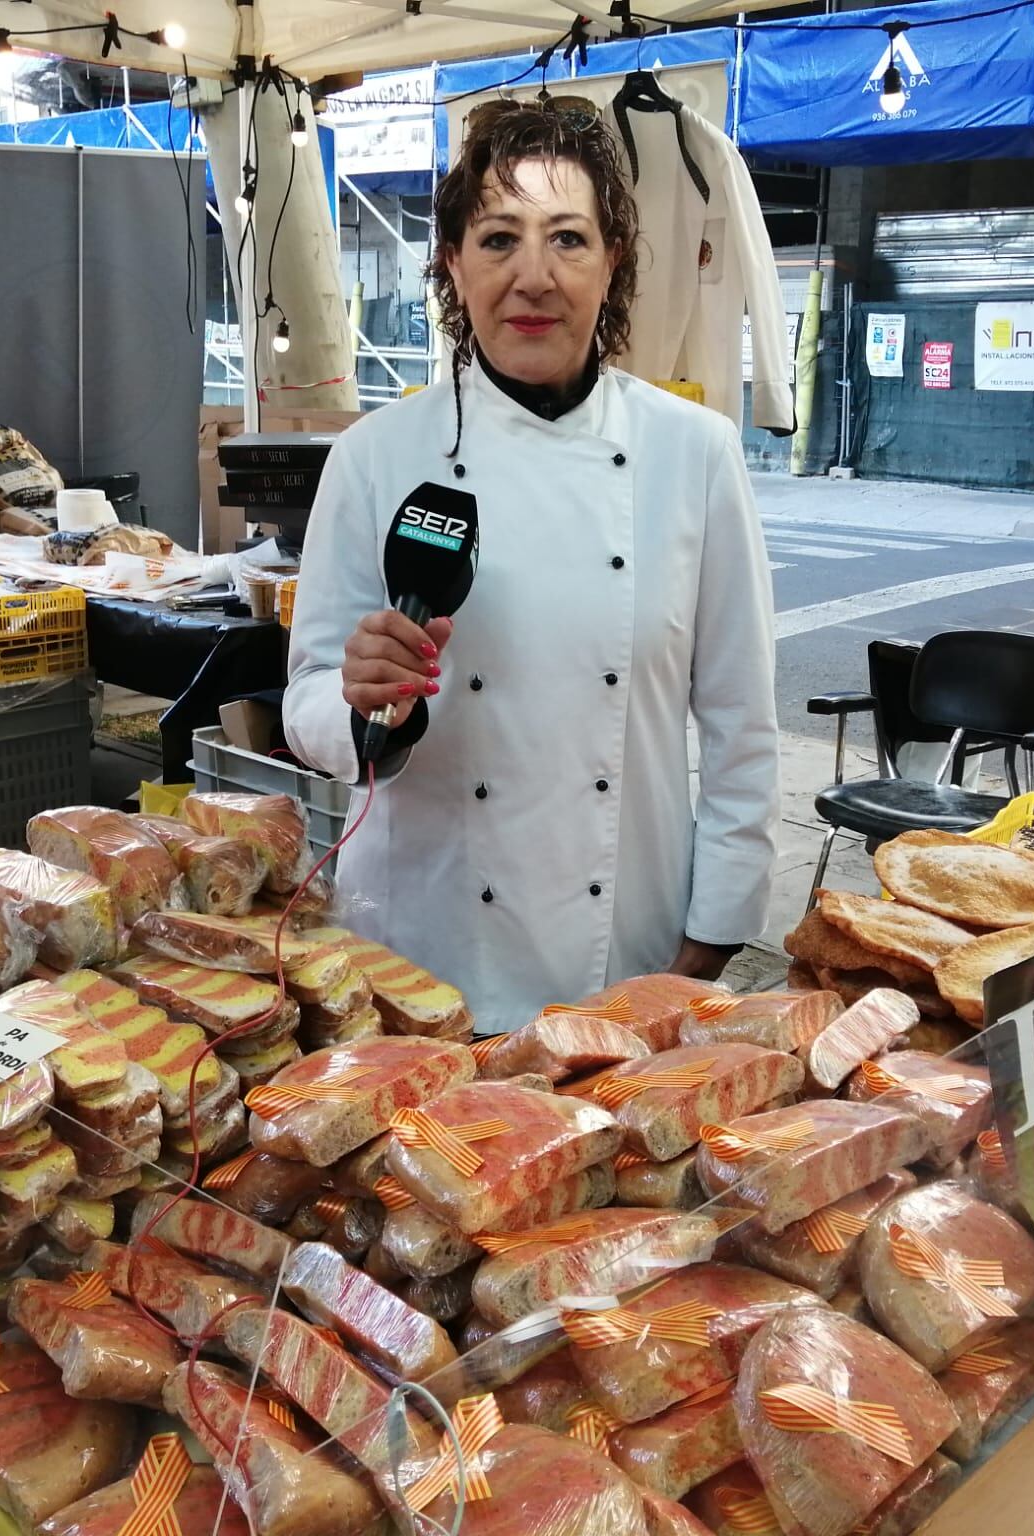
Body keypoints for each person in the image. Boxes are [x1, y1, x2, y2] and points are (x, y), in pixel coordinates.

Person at [283, 100, 779, 1035]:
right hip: (411, 963)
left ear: (613, 262)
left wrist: (700, 955)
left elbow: (741, 728)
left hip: (625, 966)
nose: (534, 278)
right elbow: (306, 700)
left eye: (569, 240)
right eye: (500, 238)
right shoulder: (376, 455)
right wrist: (358, 698)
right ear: (454, 265)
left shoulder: (695, 454)